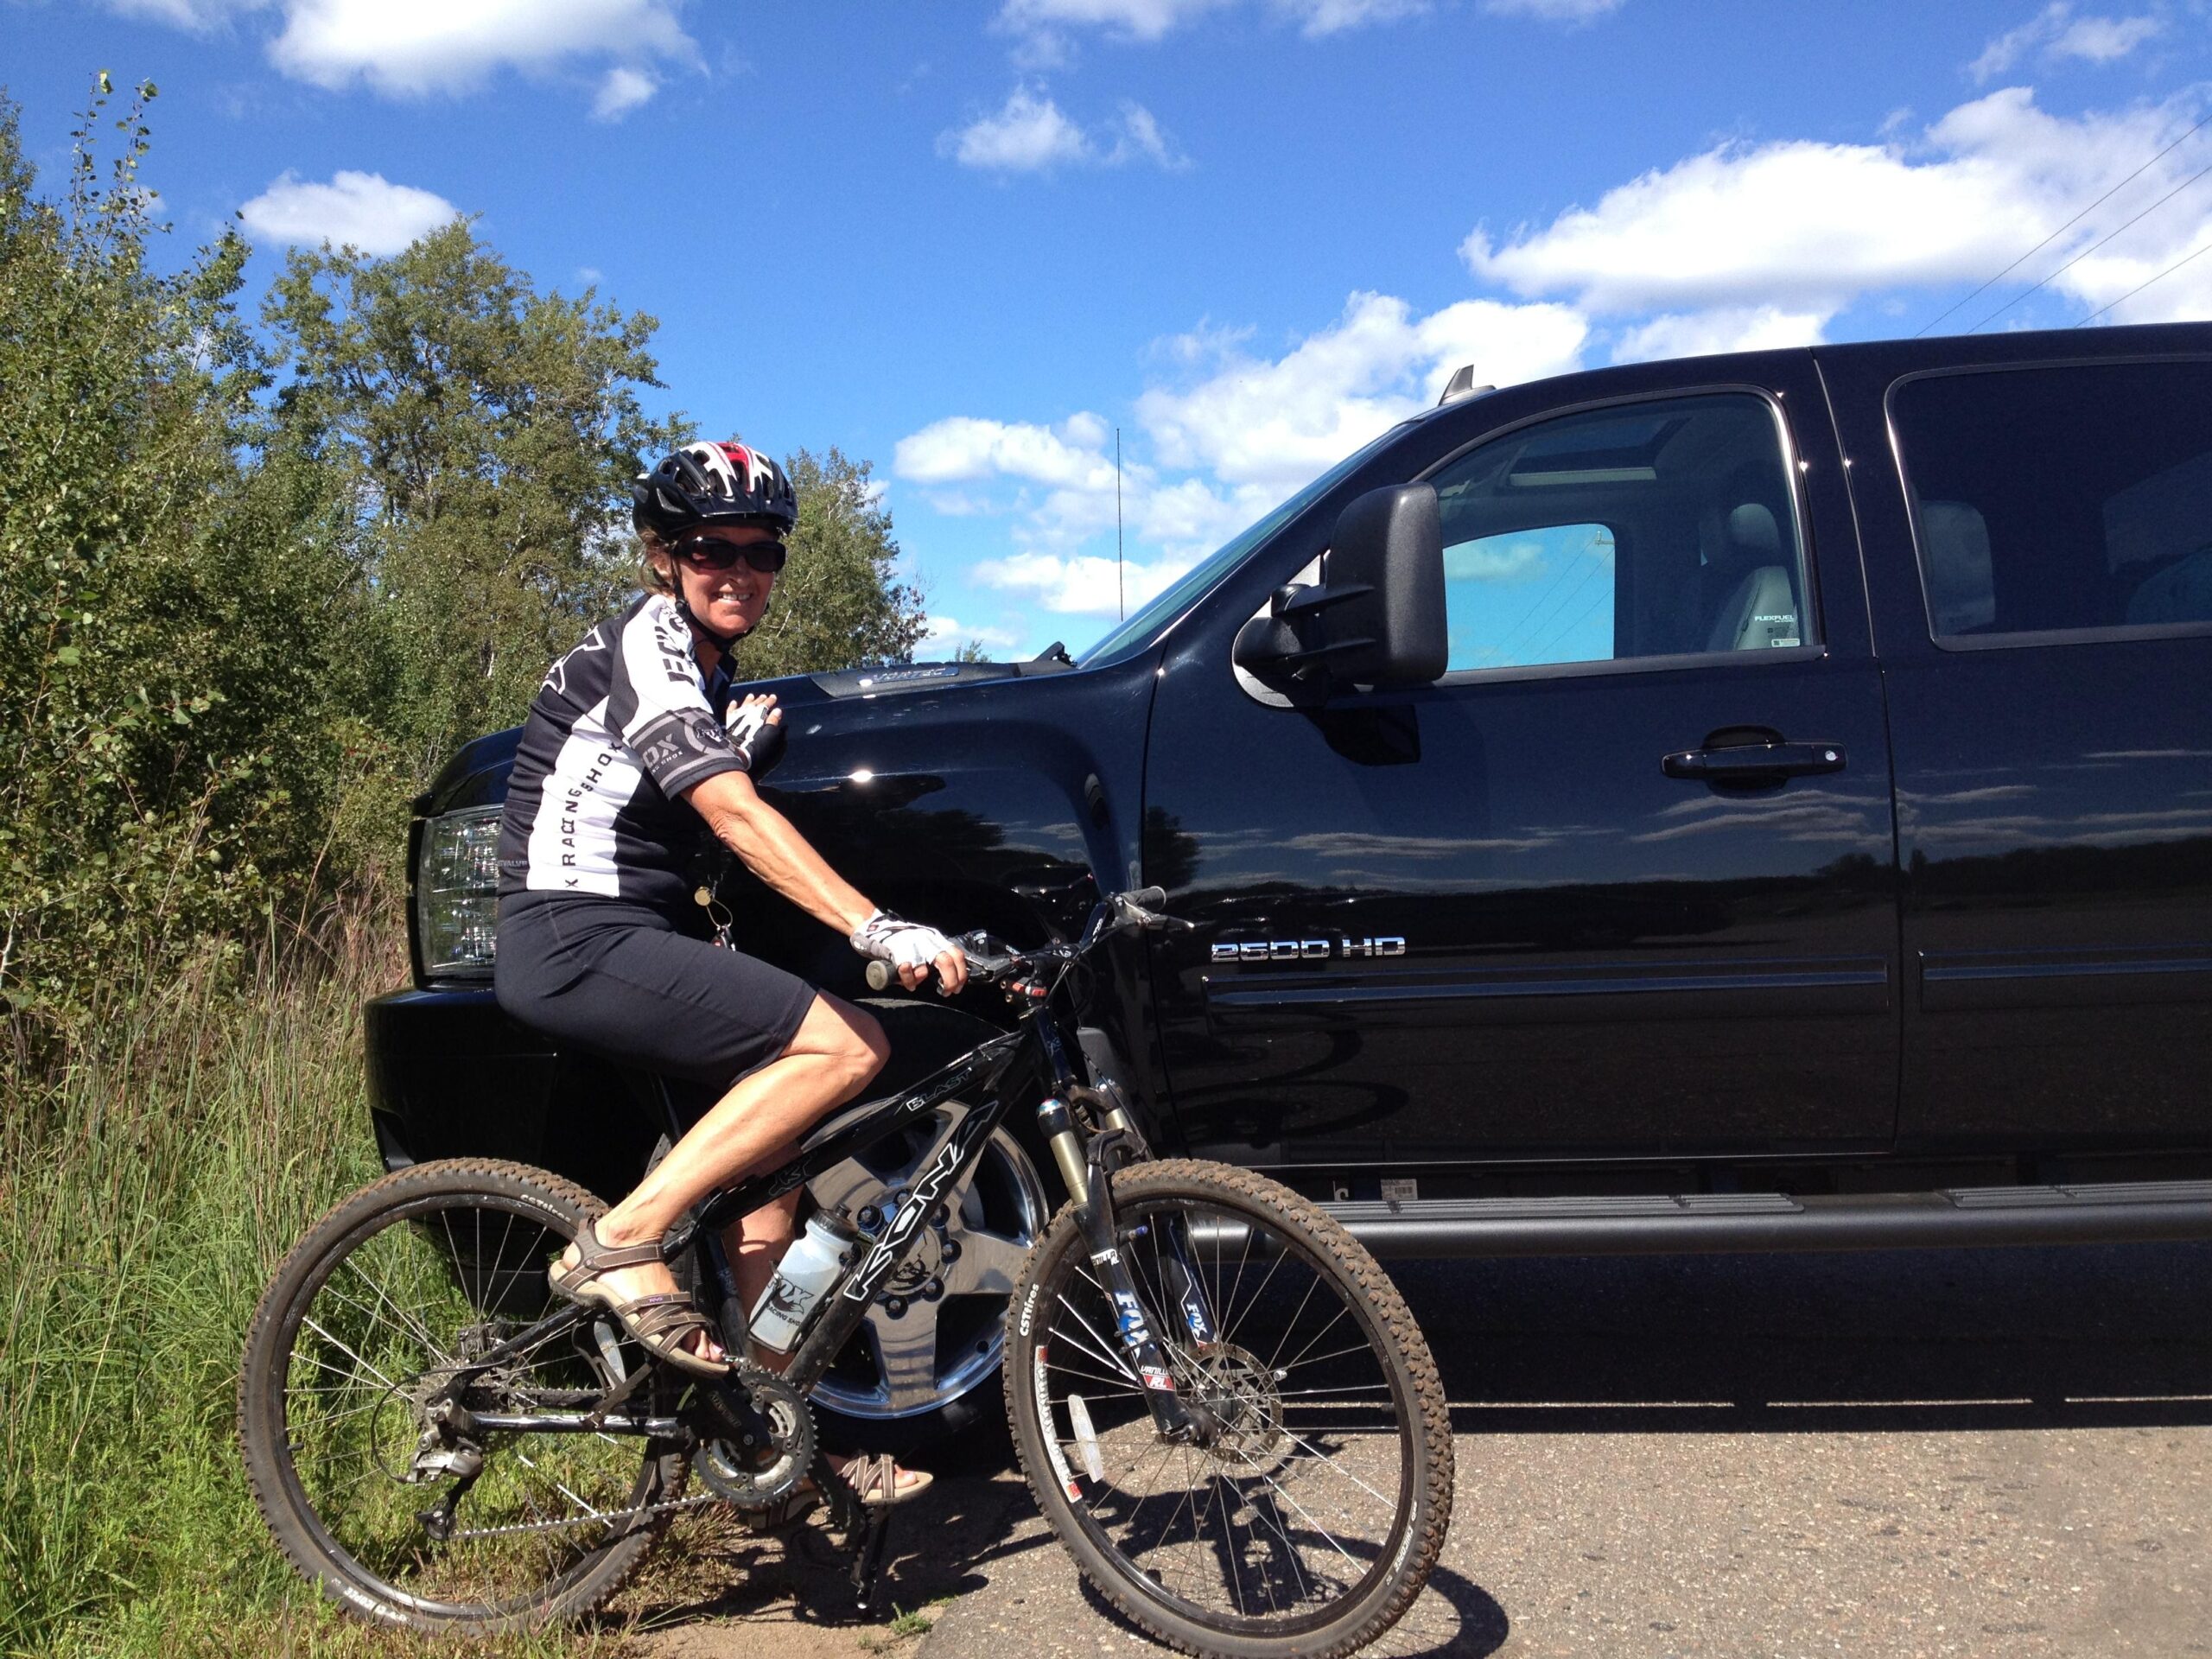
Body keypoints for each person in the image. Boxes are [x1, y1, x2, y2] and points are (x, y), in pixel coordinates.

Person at [493, 438, 963, 1505]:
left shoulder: (703, 670)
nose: (738, 570)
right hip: (576, 935)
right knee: (848, 1041)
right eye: (712, 549)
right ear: (663, 555)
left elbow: (660, 784)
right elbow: (723, 813)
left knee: (770, 1192)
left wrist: (728, 739)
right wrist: (876, 926)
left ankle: (768, 1433)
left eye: (763, 552)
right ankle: (621, 1241)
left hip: (628, 936)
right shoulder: (649, 644)